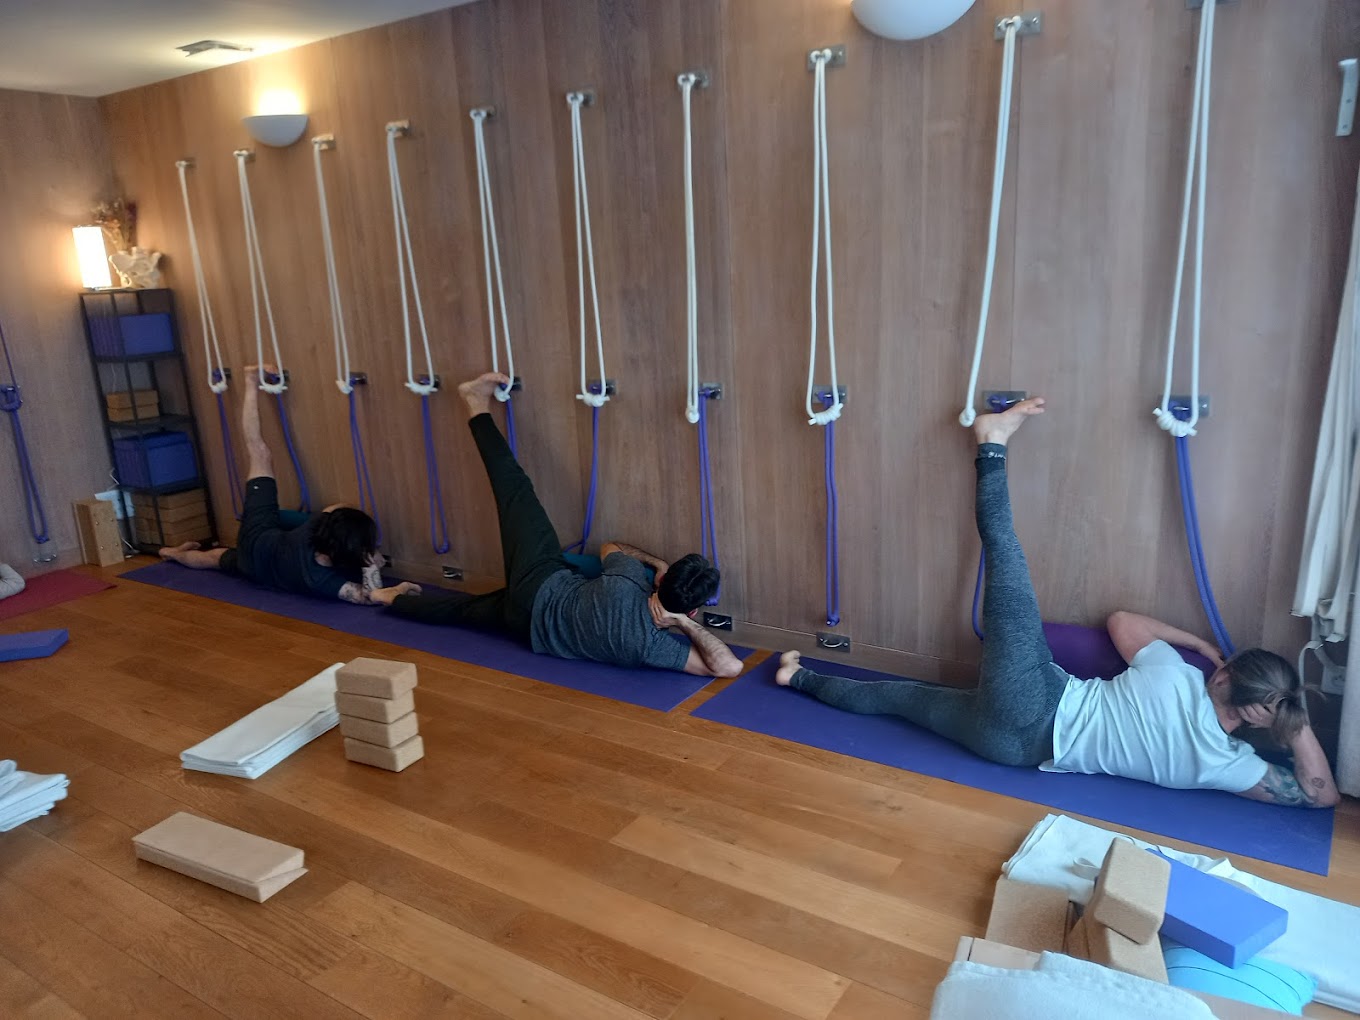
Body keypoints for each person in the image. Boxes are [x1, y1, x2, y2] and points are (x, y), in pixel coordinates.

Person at [776, 398, 1340, 809]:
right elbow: (1322, 796)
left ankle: (991, 443)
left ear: (1225, 675)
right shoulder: (1228, 767)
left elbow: (1122, 621)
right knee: (898, 699)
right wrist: (1294, 725)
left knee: (1006, 555)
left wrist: (1198, 643)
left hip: (1032, 695)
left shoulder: (1174, 675)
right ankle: (796, 677)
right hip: (1010, 750)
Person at [375, 372, 743, 678]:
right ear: (692, 611)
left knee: (515, 490)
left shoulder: (628, 579)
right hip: (527, 628)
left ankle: (475, 404)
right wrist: (683, 624)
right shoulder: (650, 647)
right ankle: (392, 599)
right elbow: (728, 667)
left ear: (663, 580)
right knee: (461, 612)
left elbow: (611, 547)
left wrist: (656, 563)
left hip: (540, 582)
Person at [159, 365, 418, 606]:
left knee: (259, 453)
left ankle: (251, 381)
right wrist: (371, 564)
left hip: (257, 543)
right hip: (254, 566)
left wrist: (361, 548)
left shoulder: (315, 531)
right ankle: (171, 553)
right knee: (213, 558)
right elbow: (369, 596)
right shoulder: (320, 578)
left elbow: (336, 509)